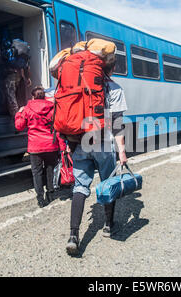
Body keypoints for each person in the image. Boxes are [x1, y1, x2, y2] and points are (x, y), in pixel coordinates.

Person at [66, 60, 128, 256]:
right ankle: (109, 226)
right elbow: (117, 124)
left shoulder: (79, 86)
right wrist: (122, 151)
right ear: (112, 68)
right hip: (103, 143)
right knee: (108, 184)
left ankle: (73, 235)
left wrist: (69, 144)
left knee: (80, 187)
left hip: (81, 142)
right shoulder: (115, 88)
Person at [15, 86, 67, 208]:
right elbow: (58, 129)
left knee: (37, 173)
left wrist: (19, 113)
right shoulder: (53, 109)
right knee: (49, 170)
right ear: (44, 96)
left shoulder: (27, 109)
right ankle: (50, 194)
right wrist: (62, 146)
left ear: (33, 97)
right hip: (51, 146)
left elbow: (19, 126)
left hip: (35, 147)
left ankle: (40, 199)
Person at [3, 38, 32, 119]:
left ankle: (16, 117)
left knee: (11, 96)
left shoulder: (10, 51)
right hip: (19, 75)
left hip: (10, 75)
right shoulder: (23, 54)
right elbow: (27, 67)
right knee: (18, 96)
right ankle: (21, 114)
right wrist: (28, 78)